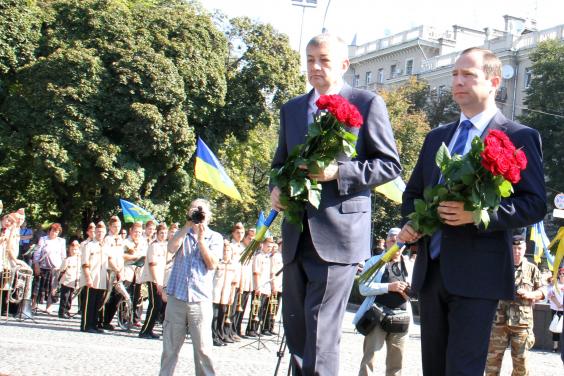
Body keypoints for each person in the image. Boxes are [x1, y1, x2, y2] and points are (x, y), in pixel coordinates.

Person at [398, 47, 546, 375]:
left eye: (468, 75)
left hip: (479, 276)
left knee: (463, 369)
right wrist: (413, 223)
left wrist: (478, 215)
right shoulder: (437, 137)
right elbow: (411, 195)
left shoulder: (518, 136)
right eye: (454, 74)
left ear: (494, 81)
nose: (458, 81)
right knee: (433, 369)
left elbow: (534, 204)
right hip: (432, 272)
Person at [270, 33, 401, 375]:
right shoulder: (293, 109)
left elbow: (389, 164)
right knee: (296, 327)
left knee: (321, 330)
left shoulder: (366, 102)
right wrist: (275, 188)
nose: (314, 66)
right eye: (310, 58)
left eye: (323, 60)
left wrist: (337, 172)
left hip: (340, 234)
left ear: (343, 64)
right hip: (297, 232)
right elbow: (279, 164)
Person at [159, 199, 222, 376]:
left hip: (200, 300)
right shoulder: (182, 233)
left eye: (201, 212)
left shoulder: (215, 237)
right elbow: (171, 248)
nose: (198, 215)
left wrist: (201, 241)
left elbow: (212, 264)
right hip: (176, 298)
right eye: (194, 210)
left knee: (203, 349)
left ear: (208, 215)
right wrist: (187, 225)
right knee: (170, 348)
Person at [354, 228, 411, 376]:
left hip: (401, 318)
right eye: (392, 239)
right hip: (376, 316)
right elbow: (363, 288)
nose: (396, 242)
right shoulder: (375, 262)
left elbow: (419, 292)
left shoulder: (410, 265)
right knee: (369, 361)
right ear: (386, 242)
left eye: (400, 240)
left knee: (397, 365)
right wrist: (389, 287)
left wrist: (409, 294)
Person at [485, 234, 545, 375]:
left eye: (519, 248)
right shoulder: (499, 267)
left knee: (521, 364)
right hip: (498, 322)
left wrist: (531, 295)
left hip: (522, 325)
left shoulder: (532, 269)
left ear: (524, 249)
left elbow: (543, 291)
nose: (517, 252)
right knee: (492, 362)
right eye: (514, 248)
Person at [79, 221, 121, 333]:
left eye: (102, 232)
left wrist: (117, 270)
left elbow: (109, 259)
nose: (99, 234)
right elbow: (85, 263)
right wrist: (88, 278)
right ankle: (86, 325)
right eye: (97, 232)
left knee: (97, 303)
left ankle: (94, 325)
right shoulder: (89, 246)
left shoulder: (106, 246)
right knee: (89, 303)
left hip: (101, 278)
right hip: (91, 278)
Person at [139, 223, 168, 339]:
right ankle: (145, 330)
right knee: (155, 305)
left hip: (162, 279)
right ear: (157, 233)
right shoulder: (154, 246)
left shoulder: (165, 245)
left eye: (165, 233)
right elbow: (152, 265)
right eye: (161, 233)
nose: (163, 235)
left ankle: (149, 329)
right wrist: (157, 282)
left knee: (158, 306)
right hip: (153, 279)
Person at [32, 223, 66, 313]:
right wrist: (36, 265)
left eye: (56, 231)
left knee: (53, 287)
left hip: (55, 267)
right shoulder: (43, 239)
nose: (54, 233)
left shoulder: (61, 241)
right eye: (53, 231)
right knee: (38, 286)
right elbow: (37, 253)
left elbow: (63, 255)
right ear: (49, 231)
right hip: (43, 265)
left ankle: (49, 306)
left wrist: (63, 267)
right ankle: (33, 304)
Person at [58, 239, 81, 319]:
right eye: (72, 249)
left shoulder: (79, 260)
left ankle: (67, 310)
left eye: (76, 249)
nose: (74, 251)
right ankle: (62, 311)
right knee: (65, 296)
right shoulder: (67, 259)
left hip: (74, 280)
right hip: (66, 280)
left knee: (70, 297)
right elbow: (61, 269)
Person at [547, 267, 564, 353]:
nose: (562, 276)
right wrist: (558, 304)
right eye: (561, 274)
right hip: (556, 310)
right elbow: (550, 295)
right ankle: (555, 346)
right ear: (559, 275)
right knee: (555, 328)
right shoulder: (555, 285)